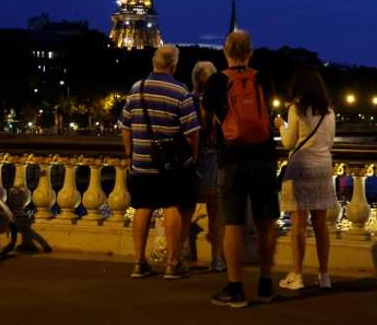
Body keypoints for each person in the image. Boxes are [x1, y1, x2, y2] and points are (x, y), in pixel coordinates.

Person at [203, 30, 280, 308]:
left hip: (232, 158)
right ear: (250, 52)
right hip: (264, 157)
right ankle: (266, 282)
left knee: (233, 224)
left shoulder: (217, 81)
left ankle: (235, 286)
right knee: (266, 223)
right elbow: (269, 115)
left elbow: (207, 119)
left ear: (225, 52)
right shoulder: (263, 79)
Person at [120, 44, 200, 281]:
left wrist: (129, 154)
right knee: (172, 206)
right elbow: (192, 132)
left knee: (142, 208)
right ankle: (172, 263)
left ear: (153, 62)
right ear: (174, 65)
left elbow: (125, 127)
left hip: (142, 161)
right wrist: (192, 156)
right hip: (171, 164)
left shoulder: (137, 88)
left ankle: (138, 262)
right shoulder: (181, 92)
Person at [274, 67, 336, 290]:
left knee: (298, 224)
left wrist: (282, 127)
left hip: (300, 168)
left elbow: (289, 143)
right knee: (321, 225)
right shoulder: (329, 112)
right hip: (322, 168)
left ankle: (297, 274)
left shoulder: (296, 109)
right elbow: (329, 142)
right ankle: (324, 275)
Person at [191, 60, 225, 272]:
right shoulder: (221, 104)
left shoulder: (189, 101)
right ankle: (217, 259)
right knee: (216, 214)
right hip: (216, 161)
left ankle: (183, 254)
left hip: (193, 162)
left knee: (185, 210)